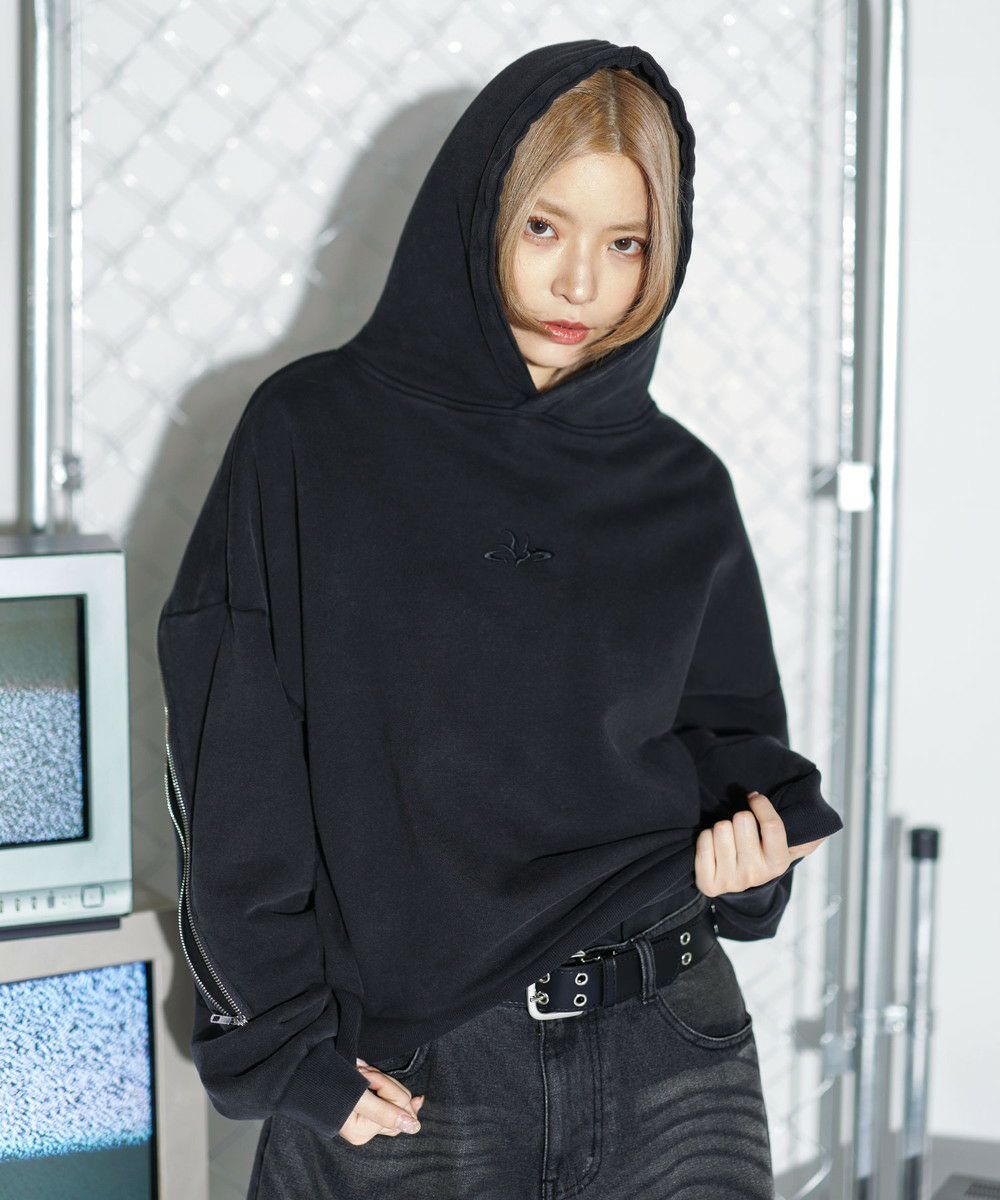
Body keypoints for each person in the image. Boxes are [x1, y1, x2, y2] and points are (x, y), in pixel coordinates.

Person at [157, 39, 844, 1199]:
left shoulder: (681, 484)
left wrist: (752, 860)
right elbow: (236, 763)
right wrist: (280, 1044)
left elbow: (726, 741)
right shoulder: (311, 436)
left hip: (674, 1053)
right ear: (473, 211)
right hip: (413, 1068)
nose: (581, 284)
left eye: (625, 243)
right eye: (544, 227)